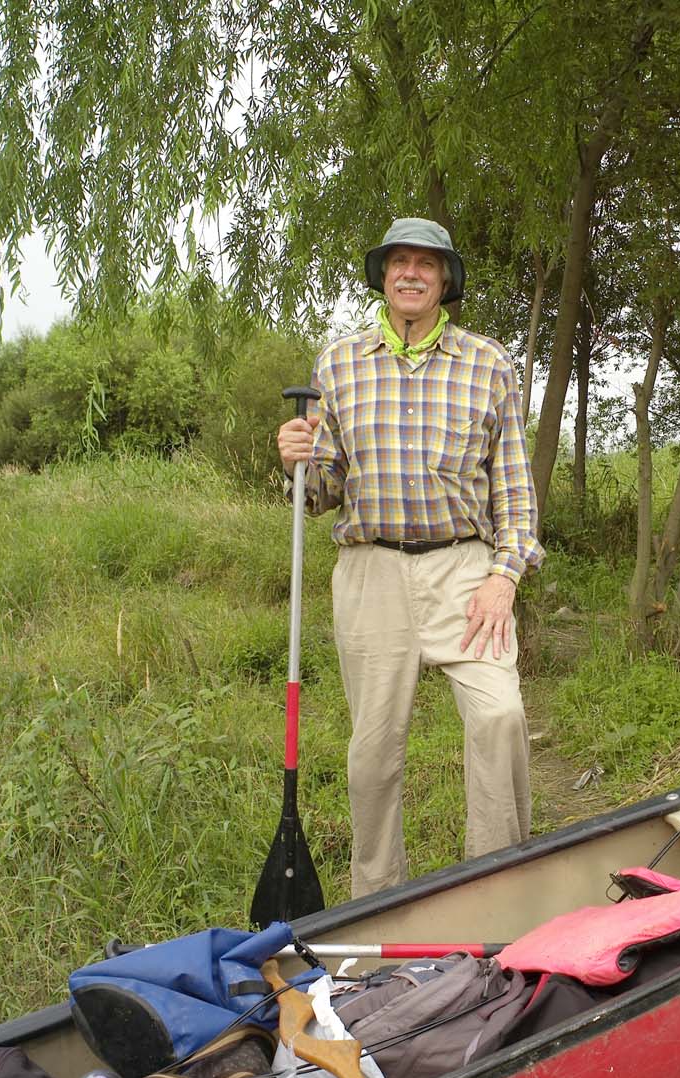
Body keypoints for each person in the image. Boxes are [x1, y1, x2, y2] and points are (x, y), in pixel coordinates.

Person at [276, 217, 544, 897]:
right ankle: (376, 907)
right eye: (399, 261)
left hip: (465, 569)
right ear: (384, 275)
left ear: (446, 280)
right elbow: (323, 493)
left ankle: (495, 890)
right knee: (373, 754)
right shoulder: (339, 362)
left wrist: (504, 576)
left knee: (499, 715)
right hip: (372, 573)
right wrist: (298, 463)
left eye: (427, 262)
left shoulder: (489, 363)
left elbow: (513, 486)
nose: (412, 273)